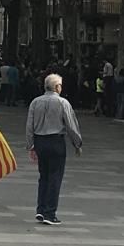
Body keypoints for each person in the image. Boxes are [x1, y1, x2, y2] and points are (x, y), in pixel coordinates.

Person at [25, 73, 83, 225]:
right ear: (57, 87)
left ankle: (41, 209)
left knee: (43, 176)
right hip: (56, 141)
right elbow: (71, 125)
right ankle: (50, 213)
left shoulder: (35, 102)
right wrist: (77, 143)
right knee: (55, 177)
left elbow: (29, 126)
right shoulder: (63, 103)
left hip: (40, 141)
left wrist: (30, 144)